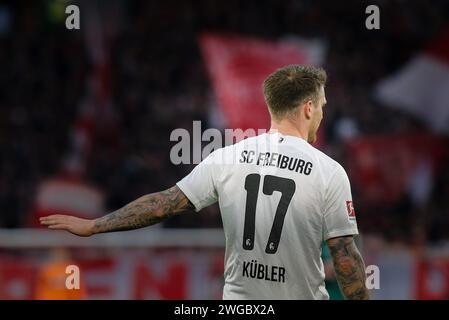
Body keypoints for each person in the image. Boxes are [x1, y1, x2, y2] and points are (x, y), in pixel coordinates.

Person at [41, 65, 369, 300]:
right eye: (323, 106)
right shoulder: (328, 171)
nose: (324, 113)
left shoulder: (226, 158)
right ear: (309, 108)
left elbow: (162, 205)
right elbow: (345, 258)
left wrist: (96, 226)